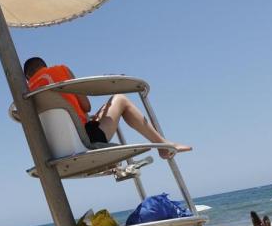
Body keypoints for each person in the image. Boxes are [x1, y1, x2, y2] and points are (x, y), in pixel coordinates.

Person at [23, 58, 191, 159]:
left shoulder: (29, 94)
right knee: (120, 99)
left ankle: (161, 145)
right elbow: (86, 106)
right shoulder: (60, 70)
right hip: (85, 139)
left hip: (58, 148)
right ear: (44, 65)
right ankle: (162, 144)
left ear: (28, 77)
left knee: (103, 111)